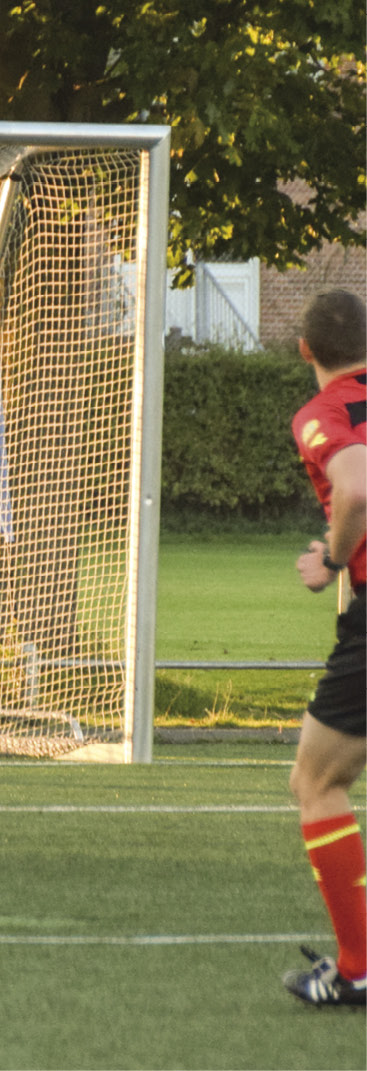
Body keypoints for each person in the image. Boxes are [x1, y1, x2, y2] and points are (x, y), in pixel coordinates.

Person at [277, 289, 365, 1009]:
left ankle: (358, 968)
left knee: (315, 783)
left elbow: (355, 483)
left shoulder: (322, 412)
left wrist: (334, 559)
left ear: (305, 350)